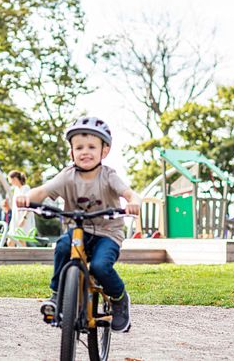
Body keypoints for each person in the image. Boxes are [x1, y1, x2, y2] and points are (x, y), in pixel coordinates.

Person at [16, 116, 142, 333]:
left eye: (92, 147)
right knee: (63, 247)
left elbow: (129, 193)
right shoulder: (67, 176)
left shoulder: (108, 175)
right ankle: (56, 296)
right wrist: (27, 197)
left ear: (105, 151)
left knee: (101, 267)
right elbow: (43, 191)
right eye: (79, 147)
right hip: (78, 231)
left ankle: (119, 299)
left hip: (107, 232)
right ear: (71, 152)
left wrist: (133, 202)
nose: (85, 152)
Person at [6, 170, 35, 247]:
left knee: (21, 240)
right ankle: (11, 258)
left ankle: (22, 259)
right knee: (10, 241)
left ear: (15, 179)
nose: (10, 182)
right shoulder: (16, 189)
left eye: (10, 180)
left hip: (23, 217)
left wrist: (24, 218)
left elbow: (28, 204)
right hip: (15, 217)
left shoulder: (26, 188)